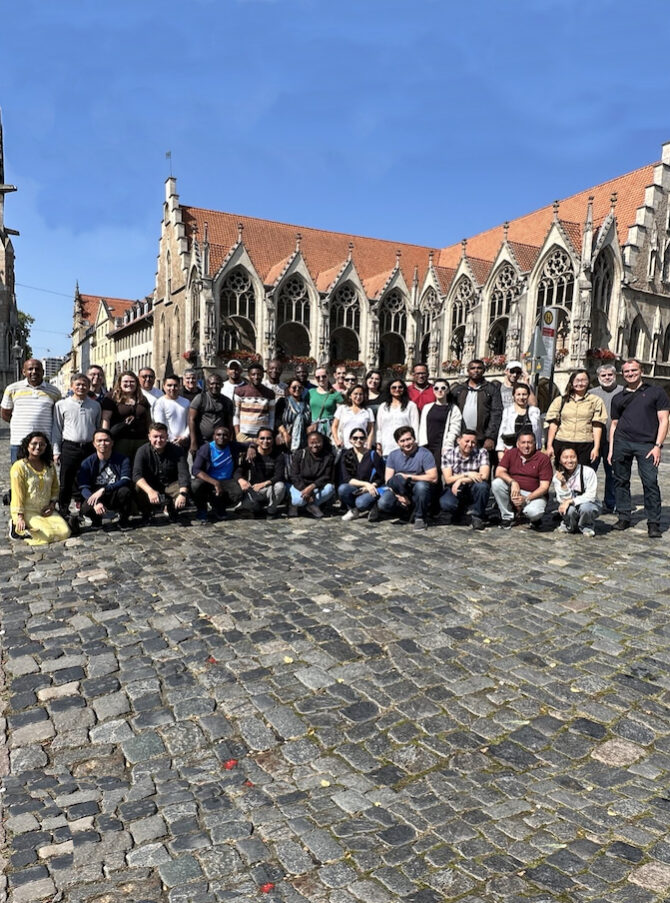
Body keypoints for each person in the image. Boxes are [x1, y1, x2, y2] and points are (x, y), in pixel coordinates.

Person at [609, 358, 669, 538]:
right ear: (622, 374)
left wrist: (658, 446)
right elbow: (614, 424)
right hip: (622, 442)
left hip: (647, 445)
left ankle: (653, 522)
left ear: (640, 371)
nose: (630, 374)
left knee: (650, 482)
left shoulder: (656, 392)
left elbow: (664, 420)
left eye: (633, 370)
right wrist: (612, 448)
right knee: (620, 480)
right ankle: (624, 516)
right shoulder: (618, 397)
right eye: (627, 372)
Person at [52, 373, 102, 527]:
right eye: (78, 384)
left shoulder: (95, 405)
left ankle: (88, 511)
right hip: (70, 446)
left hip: (89, 447)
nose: (81, 387)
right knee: (66, 480)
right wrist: (56, 450)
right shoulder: (61, 405)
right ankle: (64, 510)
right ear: (72, 386)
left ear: (89, 386)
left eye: (84, 384)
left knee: (89, 479)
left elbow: (98, 426)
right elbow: (57, 428)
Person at [9, 431, 71, 545]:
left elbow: (55, 488)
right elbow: (17, 494)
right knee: (46, 536)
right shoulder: (19, 467)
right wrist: (20, 517)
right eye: (34, 443)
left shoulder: (49, 465)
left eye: (42, 444)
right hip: (27, 510)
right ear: (27, 445)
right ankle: (15, 526)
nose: (38, 447)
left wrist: (52, 506)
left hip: (45, 509)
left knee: (64, 532)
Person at [372, 426, 437, 530]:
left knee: (421, 486)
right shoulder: (393, 455)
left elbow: (433, 477)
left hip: (417, 486)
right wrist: (398, 495)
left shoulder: (425, 454)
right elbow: (388, 480)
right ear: (397, 443)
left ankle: (420, 517)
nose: (406, 443)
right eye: (402, 441)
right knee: (384, 503)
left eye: (408, 439)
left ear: (414, 439)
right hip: (399, 488)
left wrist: (408, 476)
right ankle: (405, 511)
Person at [1, 359, 61, 463]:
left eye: (37, 369)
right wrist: (20, 423)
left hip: (43, 443)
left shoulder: (54, 392)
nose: (34, 372)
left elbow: (56, 416)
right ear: (23, 372)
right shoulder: (12, 389)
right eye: (30, 369)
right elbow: (5, 413)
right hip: (19, 441)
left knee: (43, 477)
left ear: (43, 372)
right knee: (19, 476)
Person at [492, 429, 553, 530]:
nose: (526, 446)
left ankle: (534, 519)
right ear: (518, 444)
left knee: (534, 512)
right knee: (497, 483)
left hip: (534, 495)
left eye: (529, 442)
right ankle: (507, 516)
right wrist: (513, 482)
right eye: (523, 442)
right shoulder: (511, 453)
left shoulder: (543, 459)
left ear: (535, 443)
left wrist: (526, 499)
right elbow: (499, 471)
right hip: (514, 490)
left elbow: (544, 487)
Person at [545, 369, 607, 466]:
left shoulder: (595, 401)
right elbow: (553, 424)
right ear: (571, 382)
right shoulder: (560, 400)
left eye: (583, 380)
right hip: (563, 441)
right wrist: (549, 445)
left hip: (584, 443)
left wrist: (596, 447)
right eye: (577, 380)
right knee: (562, 474)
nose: (580, 383)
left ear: (588, 382)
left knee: (582, 474)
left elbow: (597, 425)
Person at [133, 422, 190, 522]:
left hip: (171, 484)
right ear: (149, 437)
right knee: (138, 487)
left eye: (162, 437)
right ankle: (147, 512)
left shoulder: (177, 450)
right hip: (151, 485)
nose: (158, 440)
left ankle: (172, 509)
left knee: (185, 488)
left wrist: (183, 494)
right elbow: (137, 475)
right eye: (155, 437)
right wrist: (150, 491)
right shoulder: (142, 451)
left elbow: (183, 473)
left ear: (167, 437)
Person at [78, 429, 133, 530]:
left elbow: (125, 479)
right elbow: (83, 487)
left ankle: (123, 519)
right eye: (99, 441)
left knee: (126, 491)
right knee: (86, 507)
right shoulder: (87, 463)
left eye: (106, 440)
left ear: (112, 443)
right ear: (94, 444)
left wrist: (104, 489)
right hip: (96, 496)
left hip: (114, 493)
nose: (103, 443)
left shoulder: (123, 459)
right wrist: (95, 503)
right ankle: (96, 520)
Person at [191, 425, 249, 521]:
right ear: (214, 436)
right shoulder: (206, 448)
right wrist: (215, 483)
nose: (221, 437)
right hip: (210, 481)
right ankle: (202, 509)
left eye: (225, 435)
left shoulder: (232, 446)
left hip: (227, 480)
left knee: (238, 492)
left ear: (230, 437)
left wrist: (251, 448)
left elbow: (250, 444)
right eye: (218, 435)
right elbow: (195, 470)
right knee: (195, 485)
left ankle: (219, 506)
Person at [440, 429, 490, 530]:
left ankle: (477, 517)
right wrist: (467, 474)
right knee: (446, 503)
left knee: (483, 486)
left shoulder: (482, 452)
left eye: (473, 442)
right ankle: (458, 512)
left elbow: (484, 476)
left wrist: (461, 480)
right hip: (454, 488)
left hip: (473, 485)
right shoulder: (448, 454)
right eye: (467, 441)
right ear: (459, 440)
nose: (470, 444)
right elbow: (448, 479)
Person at [590, 363, 623, 512]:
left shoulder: (623, 392)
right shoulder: (591, 393)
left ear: (615, 376)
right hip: (594, 441)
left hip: (615, 441)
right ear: (598, 377)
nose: (607, 377)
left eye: (610, 375)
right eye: (603, 375)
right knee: (590, 472)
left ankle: (611, 502)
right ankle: (588, 499)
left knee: (612, 473)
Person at [451, 359, 503, 454]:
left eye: (479, 368)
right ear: (468, 371)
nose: (476, 370)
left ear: (483, 370)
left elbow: (496, 413)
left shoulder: (491, 389)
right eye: (473, 368)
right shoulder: (459, 390)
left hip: (482, 439)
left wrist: (490, 437)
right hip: (462, 438)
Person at [101, 370, 151, 465]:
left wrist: (150, 436)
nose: (129, 384)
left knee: (139, 467)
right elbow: (106, 419)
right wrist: (105, 436)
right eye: (126, 382)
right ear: (120, 383)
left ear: (137, 383)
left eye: (132, 381)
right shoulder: (111, 398)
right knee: (121, 466)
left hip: (140, 439)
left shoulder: (142, 399)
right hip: (120, 439)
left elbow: (148, 420)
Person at [236, 428, 287, 517]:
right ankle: (257, 507)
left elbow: (279, 476)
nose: (265, 441)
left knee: (280, 486)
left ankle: (271, 510)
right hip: (254, 489)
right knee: (245, 509)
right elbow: (238, 471)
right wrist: (241, 480)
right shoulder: (251, 454)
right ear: (257, 440)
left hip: (270, 488)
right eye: (262, 438)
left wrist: (263, 484)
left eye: (269, 438)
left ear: (273, 440)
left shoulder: (278, 455)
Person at [338, 429, 385, 520]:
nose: (358, 440)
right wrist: (365, 484)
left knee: (361, 503)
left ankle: (373, 506)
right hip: (357, 487)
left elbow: (381, 477)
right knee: (343, 489)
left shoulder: (373, 454)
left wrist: (371, 486)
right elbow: (347, 479)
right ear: (350, 440)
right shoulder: (346, 455)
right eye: (355, 438)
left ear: (365, 439)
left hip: (372, 488)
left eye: (361, 438)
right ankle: (354, 510)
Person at [552, 446, 600, 537]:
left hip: (589, 503)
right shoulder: (557, 477)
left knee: (586, 508)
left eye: (573, 457)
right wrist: (563, 484)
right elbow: (562, 500)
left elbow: (591, 495)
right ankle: (569, 525)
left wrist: (571, 501)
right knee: (569, 510)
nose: (569, 461)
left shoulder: (588, 472)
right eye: (565, 458)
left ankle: (587, 526)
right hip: (569, 504)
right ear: (560, 460)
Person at [289, 431, 335, 518]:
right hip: (300, 486)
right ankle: (298, 504)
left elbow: (326, 476)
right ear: (307, 443)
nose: (315, 446)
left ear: (322, 442)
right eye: (312, 443)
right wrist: (305, 489)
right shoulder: (300, 454)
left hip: (316, 487)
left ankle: (310, 504)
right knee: (298, 501)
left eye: (318, 442)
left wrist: (312, 487)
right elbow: (294, 475)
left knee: (330, 488)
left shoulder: (328, 457)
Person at [418, 379, 462, 470]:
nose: (440, 390)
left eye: (443, 388)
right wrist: (422, 445)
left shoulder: (453, 408)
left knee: (441, 471)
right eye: (436, 388)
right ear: (433, 391)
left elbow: (454, 428)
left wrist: (447, 445)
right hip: (428, 446)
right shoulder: (427, 407)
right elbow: (422, 427)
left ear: (448, 390)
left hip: (443, 446)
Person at [189, 373, 234, 454]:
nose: (215, 386)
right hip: (202, 441)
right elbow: (191, 419)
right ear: (207, 385)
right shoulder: (200, 398)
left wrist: (230, 440)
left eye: (217, 384)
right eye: (212, 384)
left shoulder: (227, 401)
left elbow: (230, 423)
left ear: (222, 385)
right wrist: (193, 441)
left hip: (220, 441)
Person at [375, 379, 419, 457]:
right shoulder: (383, 407)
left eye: (400, 387)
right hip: (387, 447)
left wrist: (415, 444)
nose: (397, 389)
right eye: (394, 387)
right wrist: (378, 444)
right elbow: (379, 428)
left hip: (406, 447)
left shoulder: (411, 406)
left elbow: (415, 426)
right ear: (389, 389)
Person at [233, 362, 276, 441]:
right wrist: (237, 434)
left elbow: (272, 417)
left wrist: (269, 433)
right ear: (249, 375)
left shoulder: (270, 393)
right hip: (244, 435)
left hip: (262, 436)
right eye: (253, 374)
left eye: (259, 374)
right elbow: (236, 414)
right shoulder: (239, 391)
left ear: (263, 375)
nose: (256, 377)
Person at [496, 383, 542, 452]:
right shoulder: (507, 411)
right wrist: (500, 450)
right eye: (518, 394)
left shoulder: (535, 411)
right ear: (513, 396)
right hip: (511, 450)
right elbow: (502, 431)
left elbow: (538, 432)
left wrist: (539, 448)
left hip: (530, 450)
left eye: (524, 394)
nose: (521, 397)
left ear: (528, 395)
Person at [152, 375, 191, 448]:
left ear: (180, 386)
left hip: (184, 442)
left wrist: (185, 436)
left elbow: (189, 422)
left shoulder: (186, 402)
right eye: (169, 385)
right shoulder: (159, 403)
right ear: (164, 386)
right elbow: (160, 423)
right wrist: (172, 438)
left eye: (175, 385)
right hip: (166, 442)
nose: (172, 388)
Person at [332, 384, 374, 450]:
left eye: (361, 394)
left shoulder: (368, 411)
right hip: (344, 446)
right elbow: (334, 426)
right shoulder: (342, 409)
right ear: (350, 396)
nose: (358, 396)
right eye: (355, 394)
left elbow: (370, 430)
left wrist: (368, 445)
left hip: (361, 447)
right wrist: (337, 440)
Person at [275, 378, 312, 451]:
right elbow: (277, 419)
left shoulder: (306, 404)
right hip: (286, 438)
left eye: (300, 387)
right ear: (289, 389)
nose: (297, 389)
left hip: (303, 440)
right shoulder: (283, 402)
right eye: (294, 387)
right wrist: (285, 433)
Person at [308, 366, 343, 438]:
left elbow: (342, 413)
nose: (321, 379)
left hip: (329, 428)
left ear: (328, 376)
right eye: (318, 377)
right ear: (315, 378)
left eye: (324, 376)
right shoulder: (310, 392)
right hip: (314, 428)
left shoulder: (335, 394)